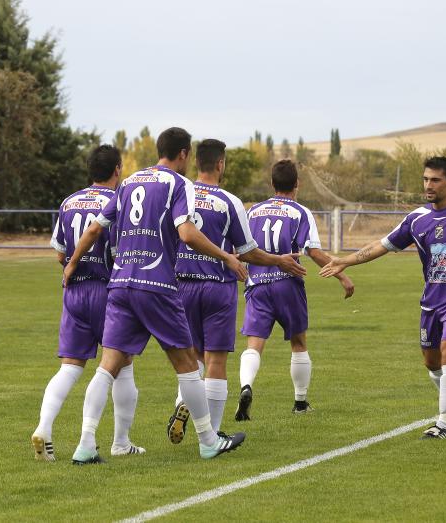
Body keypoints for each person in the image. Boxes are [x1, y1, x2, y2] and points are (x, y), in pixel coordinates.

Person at [65, 127, 248, 464]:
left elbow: (94, 229)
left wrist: (71, 263)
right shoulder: (180, 185)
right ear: (184, 154)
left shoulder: (129, 182)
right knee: (188, 365)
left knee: (106, 368)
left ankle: (85, 445)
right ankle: (208, 441)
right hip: (158, 286)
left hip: (120, 284)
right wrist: (227, 257)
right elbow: (188, 233)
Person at [321, 156, 446, 439]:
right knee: (431, 363)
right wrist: (345, 261)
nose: (428, 185)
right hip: (430, 300)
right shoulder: (417, 218)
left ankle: (444, 424)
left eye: (435, 180)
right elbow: (380, 245)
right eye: (425, 179)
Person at [166, 139, 306, 443]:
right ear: (220, 164)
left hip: (181, 285)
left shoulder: (178, 194)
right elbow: (247, 251)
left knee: (191, 358)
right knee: (216, 361)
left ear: (195, 162)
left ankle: (181, 403)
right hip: (217, 287)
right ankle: (214, 434)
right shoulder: (229, 201)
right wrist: (278, 260)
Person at [32, 145, 144, 461]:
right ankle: (121, 442)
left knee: (69, 367)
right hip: (108, 291)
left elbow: (59, 254)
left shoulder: (69, 202)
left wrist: (73, 265)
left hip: (74, 292)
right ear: (118, 169)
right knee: (122, 366)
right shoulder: (119, 202)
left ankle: (44, 427)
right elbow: (122, 251)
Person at [235, 159, 354, 420]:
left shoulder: (253, 211)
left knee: (254, 344)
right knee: (299, 343)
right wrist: (342, 276)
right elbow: (312, 251)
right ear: (297, 184)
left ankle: (246, 386)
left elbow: (240, 250)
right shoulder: (300, 212)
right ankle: (300, 403)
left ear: (272, 184)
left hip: (257, 285)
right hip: (287, 284)